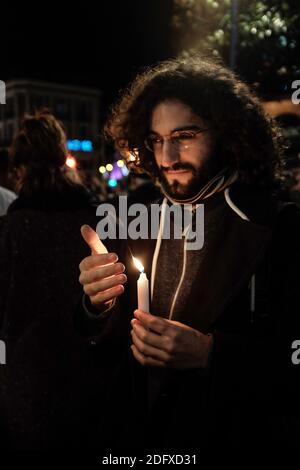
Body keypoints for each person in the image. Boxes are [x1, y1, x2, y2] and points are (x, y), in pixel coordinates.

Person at [76, 56, 300, 451]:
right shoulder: (135, 214)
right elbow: (99, 343)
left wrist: (213, 356)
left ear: (227, 133)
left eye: (185, 135)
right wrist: (96, 303)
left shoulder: (276, 225)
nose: (167, 157)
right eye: (157, 139)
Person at [0, 111, 100, 448]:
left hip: (24, 367)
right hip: (84, 364)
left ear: (19, 165)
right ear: (61, 156)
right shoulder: (91, 213)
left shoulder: (14, 224)